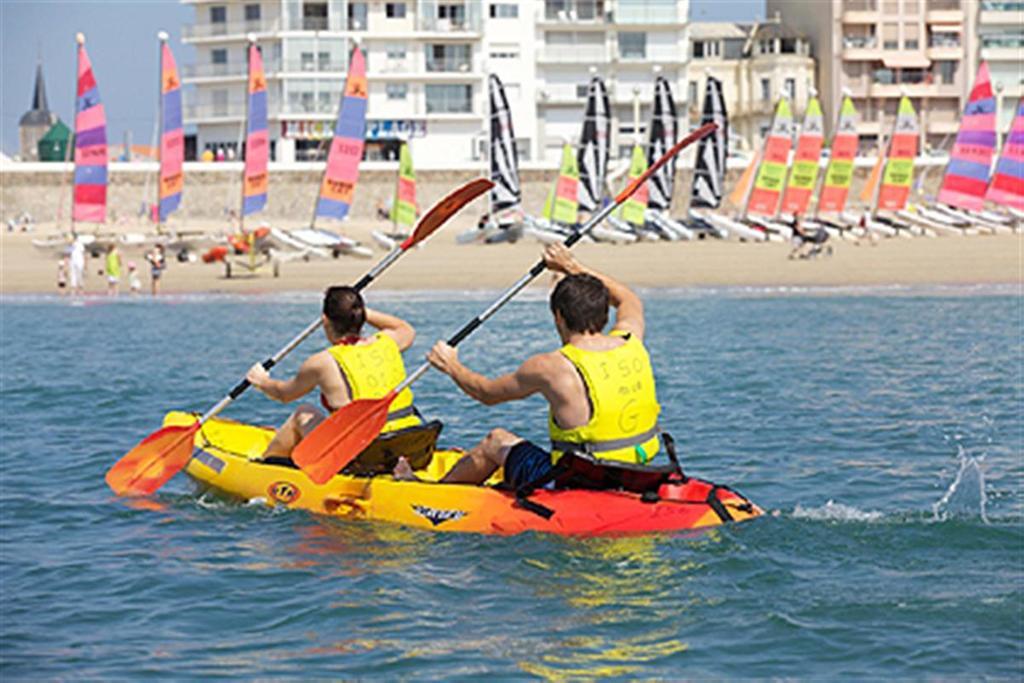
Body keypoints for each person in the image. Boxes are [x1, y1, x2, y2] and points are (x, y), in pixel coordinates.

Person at [395, 243, 661, 489]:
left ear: (559, 316)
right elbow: (629, 299)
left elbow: (487, 393)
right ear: (605, 311)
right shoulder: (630, 340)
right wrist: (571, 265)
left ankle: (434, 495)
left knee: (495, 441)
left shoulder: (551, 367)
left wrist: (451, 365)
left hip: (580, 481)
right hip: (635, 471)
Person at [246, 286, 422, 460]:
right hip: (409, 441)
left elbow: (284, 394)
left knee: (303, 413)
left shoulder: (322, 362)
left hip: (366, 453)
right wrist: (357, 310)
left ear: (325, 320)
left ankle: (265, 467)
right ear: (361, 317)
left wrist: (261, 381)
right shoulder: (387, 342)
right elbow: (404, 328)